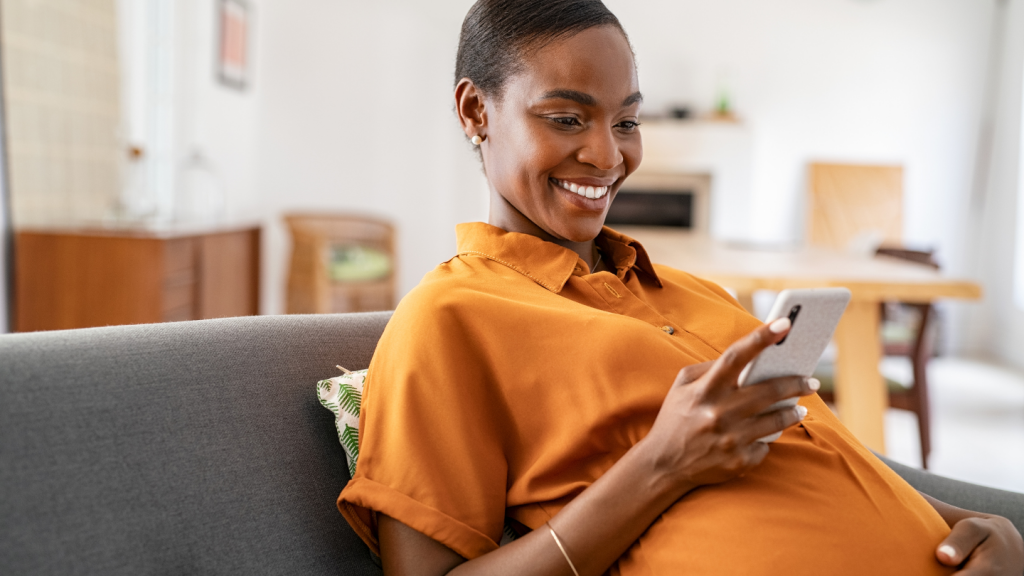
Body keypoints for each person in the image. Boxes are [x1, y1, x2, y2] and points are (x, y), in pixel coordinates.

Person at [337, 1, 1024, 574]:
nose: (609, 156)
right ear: (475, 111)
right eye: (568, 118)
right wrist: (660, 465)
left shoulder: (700, 295)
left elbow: (824, 465)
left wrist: (976, 525)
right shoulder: (449, 317)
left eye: (627, 121)